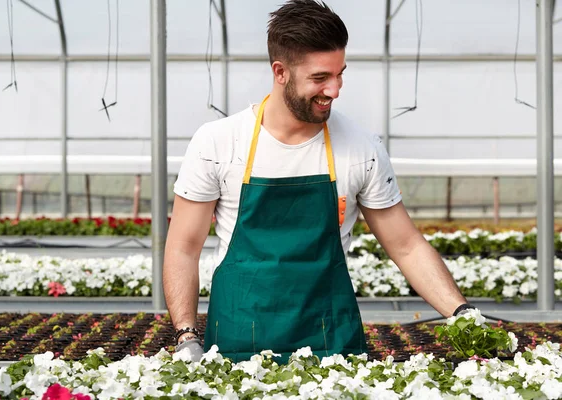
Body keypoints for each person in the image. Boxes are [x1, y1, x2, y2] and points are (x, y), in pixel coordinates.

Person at [163, 0, 472, 364]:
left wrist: (462, 314)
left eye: (340, 74)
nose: (335, 89)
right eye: (320, 78)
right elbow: (184, 247)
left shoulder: (361, 147)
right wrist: (186, 335)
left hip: (331, 345)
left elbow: (406, 246)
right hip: (237, 342)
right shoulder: (218, 142)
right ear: (280, 72)